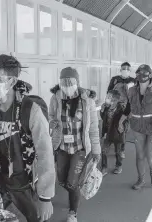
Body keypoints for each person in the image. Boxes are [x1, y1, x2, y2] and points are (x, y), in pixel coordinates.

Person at [0, 54, 55, 222]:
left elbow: (45, 153)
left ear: (11, 81)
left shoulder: (30, 110)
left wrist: (45, 197)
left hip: (27, 185)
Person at [49, 67, 101, 222]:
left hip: (80, 148)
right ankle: (75, 191)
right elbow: (51, 115)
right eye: (63, 82)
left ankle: (73, 212)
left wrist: (96, 150)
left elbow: (93, 128)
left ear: (77, 82)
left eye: (70, 82)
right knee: (62, 180)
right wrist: (53, 123)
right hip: (62, 147)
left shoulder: (87, 101)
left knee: (72, 183)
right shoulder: (56, 98)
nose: (67, 85)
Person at [107, 62, 136, 159]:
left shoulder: (133, 80)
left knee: (124, 128)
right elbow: (109, 91)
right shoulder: (115, 79)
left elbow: (134, 95)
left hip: (127, 107)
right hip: (115, 105)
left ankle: (122, 149)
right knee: (112, 125)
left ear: (130, 70)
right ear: (120, 69)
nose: (125, 70)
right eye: (123, 68)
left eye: (127, 69)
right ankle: (112, 143)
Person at [100, 90, 129, 176]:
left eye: (109, 97)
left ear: (115, 100)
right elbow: (103, 118)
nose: (106, 99)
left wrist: (122, 128)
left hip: (117, 134)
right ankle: (104, 168)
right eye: (107, 97)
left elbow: (126, 121)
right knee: (103, 150)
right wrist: (102, 110)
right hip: (107, 133)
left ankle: (118, 166)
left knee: (118, 152)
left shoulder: (122, 108)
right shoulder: (106, 107)